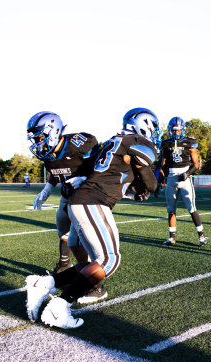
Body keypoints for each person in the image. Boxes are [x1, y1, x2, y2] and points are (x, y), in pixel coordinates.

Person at [25, 107, 159, 329]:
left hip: (84, 200)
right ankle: (60, 307)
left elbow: (112, 178)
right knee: (109, 260)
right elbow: (151, 183)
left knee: (97, 260)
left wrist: (133, 191)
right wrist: (150, 184)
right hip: (91, 202)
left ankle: (46, 283)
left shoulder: (111, 142)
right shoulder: (135, 140)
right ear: (145, 125)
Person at [26, 111, 105, 303]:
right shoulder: (47, 151)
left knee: (85, 241)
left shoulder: (80, 143)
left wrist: (85, 178)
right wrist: (47, 189)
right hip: (67, 195)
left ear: (52, 131)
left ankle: (93, 284)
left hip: (88, 196)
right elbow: (55, 169)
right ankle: (66, 267)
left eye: (40, 137)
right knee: (64, 232)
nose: (38, 143)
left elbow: (104, 167)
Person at [155, 116, 207, 247]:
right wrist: (158, 183)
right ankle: (172, 237)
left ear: (183, 130)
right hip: (171, 178)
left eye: (178, 131)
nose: (176, 133)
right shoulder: (166, 143)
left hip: (185, 178)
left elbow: (196, 164)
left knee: (191, 208)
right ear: (170, 130)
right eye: (173, 131)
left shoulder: (190, 141)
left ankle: (201, 236)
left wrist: (187, 173)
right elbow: (163, 165)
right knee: (170, 209)